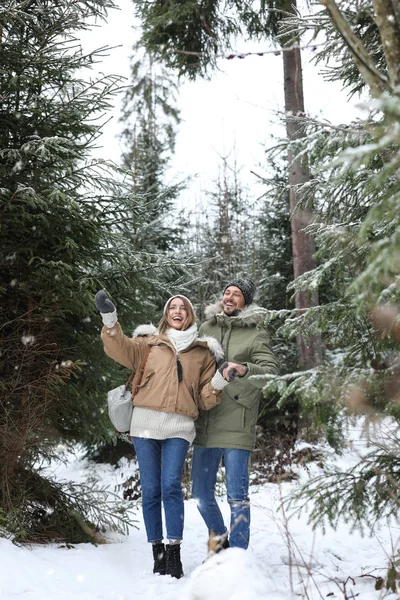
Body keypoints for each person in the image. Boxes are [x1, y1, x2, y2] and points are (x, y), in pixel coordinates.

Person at [95, 290, 226, 579]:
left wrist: (218, 381)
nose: (177, 311)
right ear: (166, 314)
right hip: (144, 425)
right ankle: (157, 553)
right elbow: (119, 349)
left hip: (179, 427)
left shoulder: (203, 352)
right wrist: (110, 319)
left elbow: (205, 399)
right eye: (172, 308)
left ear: (189, 315)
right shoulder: (148, 343)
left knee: (170, 487)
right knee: (151, 489)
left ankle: (174, 551)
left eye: (183, 308)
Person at [191, 278, 278, 551]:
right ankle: (220, 543)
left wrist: (244, 369)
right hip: (207, 421)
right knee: (201, 494)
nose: (229, 297)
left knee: (237, 497)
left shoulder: (255, 332)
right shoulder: (206, 328)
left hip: (238, 422)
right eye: (227, 292)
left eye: (236, 294)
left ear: (246, 302)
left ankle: (238, 557)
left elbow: (271, 371)